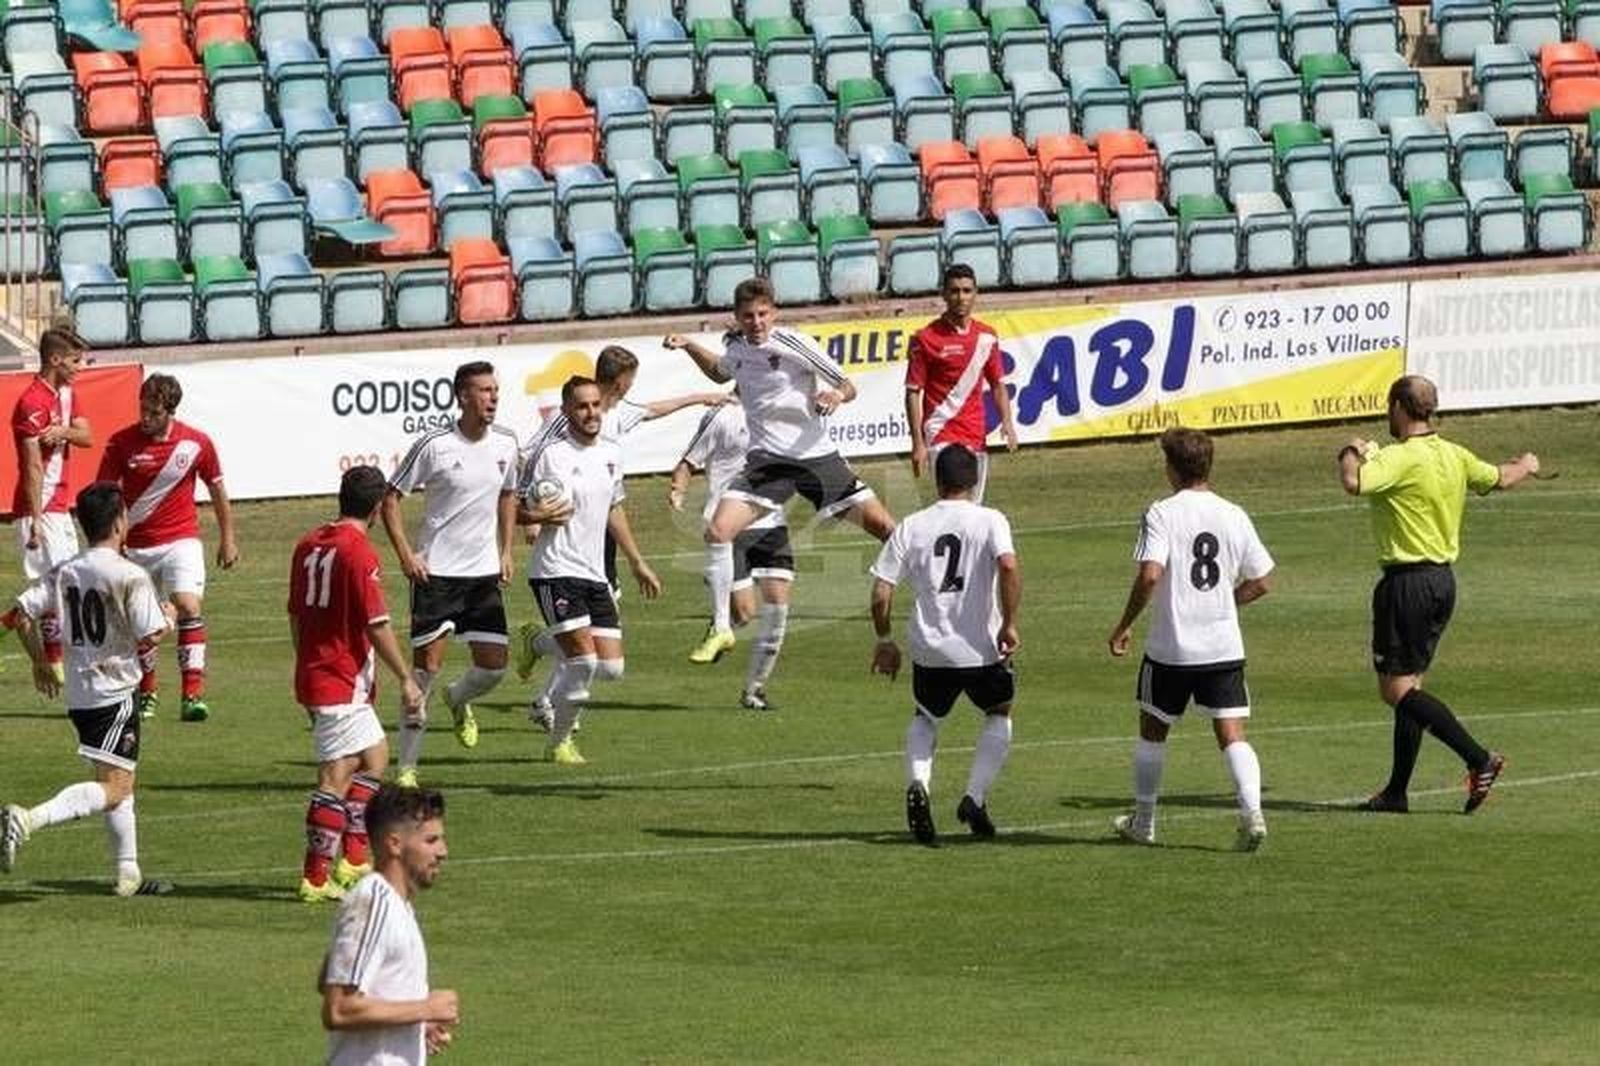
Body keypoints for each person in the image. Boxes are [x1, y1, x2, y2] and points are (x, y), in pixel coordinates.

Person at [666, 276, 897, 666]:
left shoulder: (793, 342)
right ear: (737, 318)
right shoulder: (738, 348)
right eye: (748, 316)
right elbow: (721, 372)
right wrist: (688, 345)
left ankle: (934, 587)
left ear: (774, 312)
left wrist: (835, 395)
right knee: (718, 531)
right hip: (768, 465)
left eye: (762, 314)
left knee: (888, 531)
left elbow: (847, 384)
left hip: (815, 459)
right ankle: (722, 627)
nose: (756, 322)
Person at [1338, 375, 1540, 815]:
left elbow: (1353, 482)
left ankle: (1479, 757)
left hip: (1406, 582)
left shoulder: (1400, 457)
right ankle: (1396, 792)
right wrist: (1527, 463)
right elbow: (1500, 479)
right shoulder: (1454, 454)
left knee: (1395, 690)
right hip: (1442, 582)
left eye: (1389, 406)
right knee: (1412, 687)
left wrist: (1351, 448)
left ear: (1399, 408)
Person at [514, 344, 721, 710]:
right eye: (631, 379)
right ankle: (549, 703)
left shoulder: (617, 413)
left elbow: (654, 411)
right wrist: (533, 513)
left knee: (601, 638)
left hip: (598, 529)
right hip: (563, 532)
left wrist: (698, 397)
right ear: (622, 381)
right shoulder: (568, 420)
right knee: (584, 639)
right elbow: (530, 456)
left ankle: (541, 651)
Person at [0, 481, 174, 896]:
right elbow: (148, 637)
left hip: (80, 694)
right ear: (119, 522)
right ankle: (26, 819)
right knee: (115, 786)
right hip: (113, 693)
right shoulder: (130, 575)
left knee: (120, 780)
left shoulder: (67, 569)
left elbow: (18, 614)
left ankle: (128, 875)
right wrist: (166, 617)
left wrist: (41, 662)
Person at [1106, 427, 1274, 852]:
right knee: (1232, 732)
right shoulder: (1233, 513)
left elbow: (1150, 574)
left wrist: (1125, 622)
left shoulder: (1161, 513)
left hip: (1171, 648)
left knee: (1152, 731)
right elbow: (1262, 580)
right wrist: (1222, 603)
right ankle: (1251, 812)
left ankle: (1144, 822)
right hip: (1222, 646)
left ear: (1172, 468)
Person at [869, 445, 1019, 845]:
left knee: (925, 716)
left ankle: (919, 782)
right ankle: (974, 796)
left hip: (929, 649)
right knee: (999, 711)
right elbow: (1008, 566)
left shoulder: (912, 525)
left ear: (937, 481)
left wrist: (885, 640)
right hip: (981, 647)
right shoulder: (990, 519)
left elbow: (881, 591)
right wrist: (1010, 624)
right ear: (974, 481)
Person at [290, 466, 426, 904]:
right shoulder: (359, 552)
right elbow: (377, 624)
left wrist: (304, 660)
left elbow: (295, 614)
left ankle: (351, 857)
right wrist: (406, 678)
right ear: (376, 506)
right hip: (339, 677)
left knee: (375, 756)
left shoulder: (308, 543)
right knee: (334, 777)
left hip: (318, 671)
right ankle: (315, 877)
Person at [381, 361, 520, 786]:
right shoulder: (434, 445)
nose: (493, 397)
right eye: (484, 390)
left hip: (483, 576)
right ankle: (406, 768)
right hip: (436, 575)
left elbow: (510, 493)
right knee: (425, 671)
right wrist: (407, 555)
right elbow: (390, 499)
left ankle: (459, 699)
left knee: (495, 668)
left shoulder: (508, 443)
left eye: (496, 390)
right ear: (462, 396)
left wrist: (507, 549)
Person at [516, 376, 661, 763]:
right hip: (554, 569)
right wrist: (532, 515)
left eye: (596, 404)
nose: (591, 412)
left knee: (611, 668)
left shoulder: (611, 453)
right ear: (566, 411)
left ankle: (537, 642)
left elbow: (614, 508)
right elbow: (511, 506)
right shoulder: (549, 454)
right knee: (584, 662)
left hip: (595, 571)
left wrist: (636, 561)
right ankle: (559, 742)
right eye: (581, 406)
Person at [96, 373, 238, 723]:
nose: (145, 417)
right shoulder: (120, 444)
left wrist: (228, 537)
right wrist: (108, 546)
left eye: (153, 412)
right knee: (140, 623)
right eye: (142, 409)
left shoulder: (196, 444)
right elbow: (103, 496)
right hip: (135, 547)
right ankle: (147, 691)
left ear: (170, 411)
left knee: (189, 605)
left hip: (181, 539)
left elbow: (217, 489)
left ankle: (192, 696)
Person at [668, 397, 795, 710]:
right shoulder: (723, 415)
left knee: (778, 612)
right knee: (745, 613)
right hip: (729, 527)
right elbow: (687, 462)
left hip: (771, 523)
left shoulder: (785, 410)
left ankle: (754, 691)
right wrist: (678, 490)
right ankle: (719, 619)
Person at [320, 785, 458, 1066]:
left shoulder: (398, 905)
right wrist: (424, 1008)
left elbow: (329, 978)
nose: (443, 851)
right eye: (431, 840)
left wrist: (418, 1024)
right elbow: (339, 1008)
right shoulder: (373, 903)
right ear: (395, 843)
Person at [3, 328, 93, 675]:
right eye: (74, 360)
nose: (79, 367)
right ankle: (52, 661)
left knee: (63, 585)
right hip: (39, 508)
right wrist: (36, 519)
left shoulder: (68, 395)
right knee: (61, 586)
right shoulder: (31, 403)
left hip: (61, 506)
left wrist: (63, 432)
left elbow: (87, 436)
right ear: (55, 359)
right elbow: (31, 466)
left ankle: (15, 622)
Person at [904, 265, 1019, 504]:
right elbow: (913, 392)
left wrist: (1007, 422)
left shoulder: (987, 336)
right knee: (953, 504)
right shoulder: (925, 338)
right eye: (954, 291)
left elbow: (997, 384)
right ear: (944, 295)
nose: (961, 297)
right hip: (940, 433)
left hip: (975, 434)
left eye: (967, 290)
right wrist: (917, 443)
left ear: (976, 293)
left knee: (973, 509)